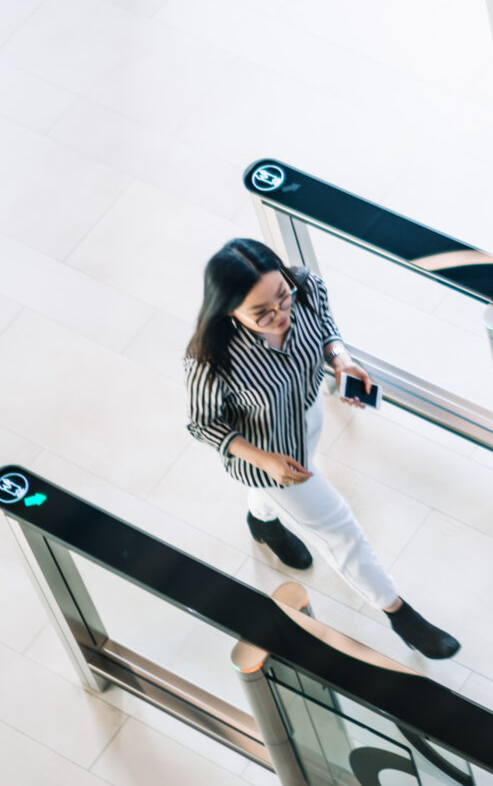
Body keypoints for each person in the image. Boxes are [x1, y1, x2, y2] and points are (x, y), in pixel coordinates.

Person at [184, 237, 459, 660]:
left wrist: (340, 359)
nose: (280, 316)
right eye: (262, 313)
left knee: (279, 498)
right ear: (229, 311)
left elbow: (326, 328)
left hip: (307, 417)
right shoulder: (212, 359)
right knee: (340, 530)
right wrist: (265, 461)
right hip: (266, 459)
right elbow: (203, 423)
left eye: (283, 298)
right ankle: (399, 612)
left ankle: (263, 523)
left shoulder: (307, 288)